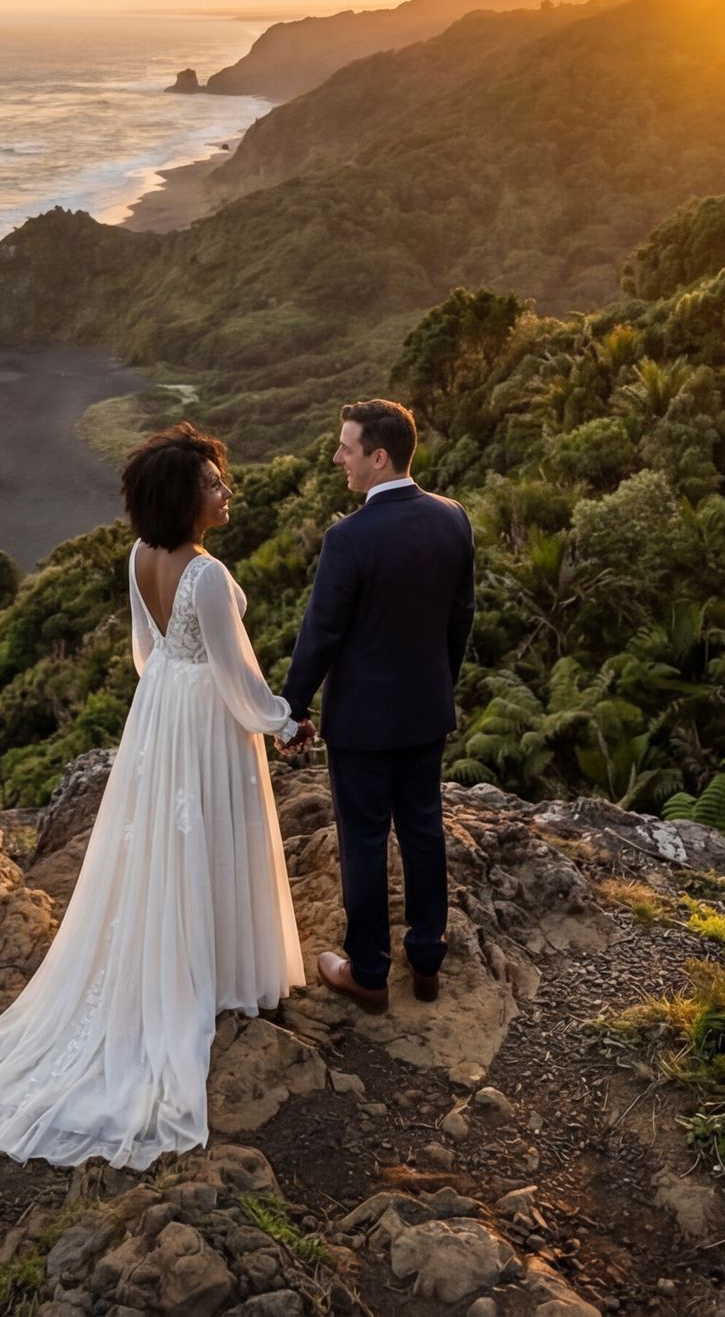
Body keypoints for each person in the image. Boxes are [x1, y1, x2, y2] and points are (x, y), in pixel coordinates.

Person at [0, 423, 304, 1169]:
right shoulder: (204, 572)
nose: (225, 490)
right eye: (211, 483)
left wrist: (171, 698)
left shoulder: (141, 557)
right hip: (203, 712)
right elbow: (237, 675)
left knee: (171, 843)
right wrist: (283, 721)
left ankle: (196, 963)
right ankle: (225, 972)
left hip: (163, 706)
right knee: (214, 833)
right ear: (183, 497)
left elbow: (148, 651)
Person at [280, 397, 475, 1010]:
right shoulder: (453, 519)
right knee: (421, 830)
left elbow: (321, 634)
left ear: (379, 456)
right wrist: (439, 685)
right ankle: (426, 961)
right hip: (425, 710)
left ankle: (367, 973)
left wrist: (292, 709)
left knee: (363, 840)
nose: (339, 457)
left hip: (362, 721)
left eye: (347, 447)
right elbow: (460, 619)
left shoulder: (348, 537)